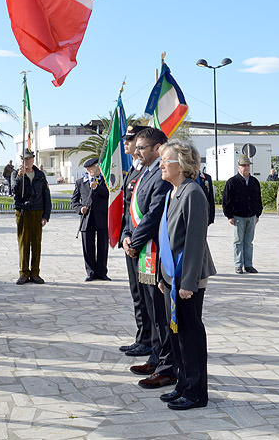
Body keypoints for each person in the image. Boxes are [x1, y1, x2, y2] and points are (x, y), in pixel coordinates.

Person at [156, 140, 216, 411]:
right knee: (177, 334)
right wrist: (162, 274)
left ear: (180, 165)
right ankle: (182, 383)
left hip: (188, 277)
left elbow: (194, 241)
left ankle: (195, 392)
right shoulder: (174, 191)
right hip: (174, 276)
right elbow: (166, 236)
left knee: (190, 334)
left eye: (164, 161)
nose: (160, 165)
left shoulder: (193, 193)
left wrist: (188, 282)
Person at [123, 127, 177, 390]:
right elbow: (131, 207)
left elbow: (154, 213)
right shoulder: (144, 172)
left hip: (154, 251)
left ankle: (166, 363)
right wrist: (126, 235)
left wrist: (136, 240)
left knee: (160, 311)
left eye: (142, 147)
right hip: (140, 249)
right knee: (149, 307)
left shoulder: (161, 174)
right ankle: (156, 357)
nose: (136, 150)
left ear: (157, 148)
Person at [118, 125, 153, 358]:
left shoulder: (148, 172)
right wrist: (124, 236)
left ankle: (149, 340)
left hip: (144, 245)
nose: (127, 144)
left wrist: (135, 241)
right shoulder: (132, 170)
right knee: (137, 294)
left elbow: (149, 211)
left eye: (131, 140)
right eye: (128, 140)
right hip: (131, 241)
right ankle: (142, 337)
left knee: (146, 294)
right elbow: (126, 210)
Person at [12, 149, 51, 284]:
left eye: (29, 159)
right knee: (23, 243)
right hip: (23, 211)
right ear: (21, 160)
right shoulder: (15, 174)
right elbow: (14, 191)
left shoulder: (40, 175)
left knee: (36, 244)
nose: (27, 161)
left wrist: (46, 215)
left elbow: (47, 195)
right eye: (24, 159)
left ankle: (35, 273)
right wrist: (19, 177)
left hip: (37, 211)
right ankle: (23, 272)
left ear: (33, 159)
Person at [222, 155, 262, 274]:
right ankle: (238, 264)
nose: (246, 168)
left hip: (251, 216)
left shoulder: (254, 181)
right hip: (238, 217)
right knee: (238, 241)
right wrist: (229, 216)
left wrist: (258, 214)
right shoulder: (232, 182)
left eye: (248, 165)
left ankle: (248, 265)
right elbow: (226, 200)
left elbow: (258, 199)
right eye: (243, 166)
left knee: (249, 242)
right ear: (238, 167)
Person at [71, 156, 109, 281]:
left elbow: (108, 194)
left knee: (102, 246)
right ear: (89, 169)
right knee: (88, 247)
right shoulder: (80, 182)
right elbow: (74, 201)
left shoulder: (104, 180)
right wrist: (80, 209)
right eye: (96, 167)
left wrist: (97, 187)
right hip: (87, 219)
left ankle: (102, 272)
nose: (99, 168)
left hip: (102, 218)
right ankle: (91, 272)